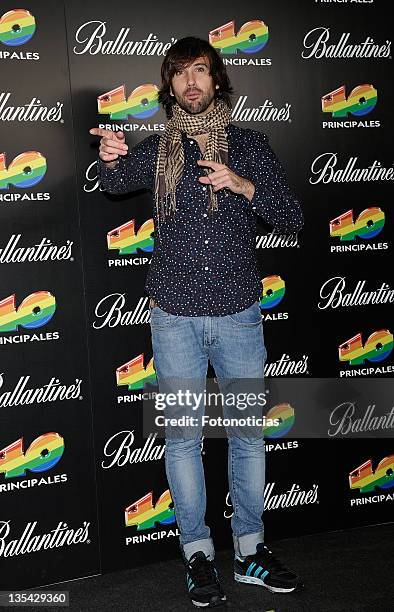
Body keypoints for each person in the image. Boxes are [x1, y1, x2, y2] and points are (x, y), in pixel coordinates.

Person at [90, 36, 304, 609]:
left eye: (200, 72)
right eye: (180, 73)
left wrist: (242, 184)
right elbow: (114, 184)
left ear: (216, 80)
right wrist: (111, 157)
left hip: (237, 316)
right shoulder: (160, 148)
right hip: (175, 319)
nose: (191, 82)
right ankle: (197, 555)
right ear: (169, 84)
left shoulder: (249, 145)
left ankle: (251, 550)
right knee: (184, 440)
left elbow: (290, 215)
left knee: (246, 439)